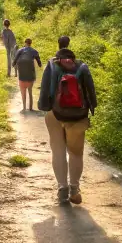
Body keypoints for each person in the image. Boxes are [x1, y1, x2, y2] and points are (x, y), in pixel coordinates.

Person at [37, 48, 97, 205]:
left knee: (58, 151)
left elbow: (44, 89)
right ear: (73, 58)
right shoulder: (82, 67)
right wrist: (91, 109)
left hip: (54, 113)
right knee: (76, 153)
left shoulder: (51, 65)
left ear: (58, 58)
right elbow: (91, 91)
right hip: (78, 116)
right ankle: (74, 189)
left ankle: (62, 188)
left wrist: (45, 107)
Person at [13, 37, 42, 111]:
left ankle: (24, 108)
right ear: (30, 43)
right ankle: (31, 108)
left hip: (22, 74)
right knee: (30, 91)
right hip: (30, 75)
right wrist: (40, 65)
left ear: (25, 43)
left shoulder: (20, 50)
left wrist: (13, 64)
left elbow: (15, 59)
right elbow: (39, 61)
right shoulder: (34, 51)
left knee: (23, 92)